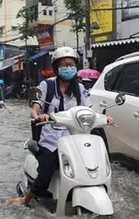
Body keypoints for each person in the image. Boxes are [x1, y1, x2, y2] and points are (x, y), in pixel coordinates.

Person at [6, 46, 114, 206]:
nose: (68, 68)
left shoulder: (81, 89)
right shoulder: (46, 86)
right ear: (56, 67)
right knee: (47, 170)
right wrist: (39, 115)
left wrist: (105, 118)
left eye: (71, 64)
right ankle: (25, 200)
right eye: (64, 65)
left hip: (75, 137)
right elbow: (35, 109)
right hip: (51, 139)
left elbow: (89, 110)